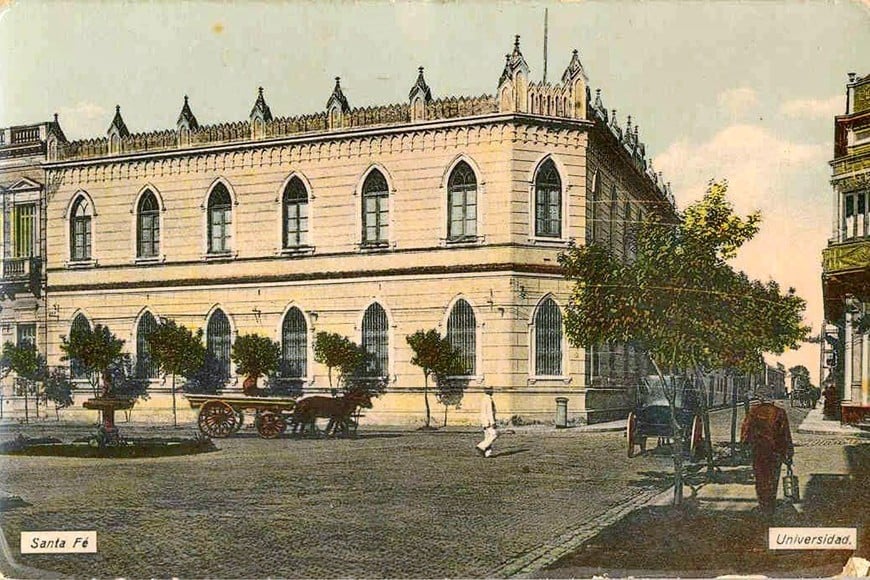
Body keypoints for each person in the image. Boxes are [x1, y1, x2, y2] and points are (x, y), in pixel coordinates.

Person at [740, 386, 794, 517]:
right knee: (773, 478)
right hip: (776, 451)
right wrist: (789, 452)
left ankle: (763, 506)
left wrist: (744, 446)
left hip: (758, 451)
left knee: (760, 479)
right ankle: (771, 506)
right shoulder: (780, 412)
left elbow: (745, 430)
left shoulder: (753, 411)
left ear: (760, 398)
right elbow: (785, 434)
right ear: (772, 398)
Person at [476, 387, 498, 458]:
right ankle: (481, 446)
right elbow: (489, 412)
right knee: (494, 435)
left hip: (484, 420)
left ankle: (488, 453)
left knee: (487, 437)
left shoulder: (483, 399)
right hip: (488, 421)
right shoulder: (488, 399)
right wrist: (492, 422)